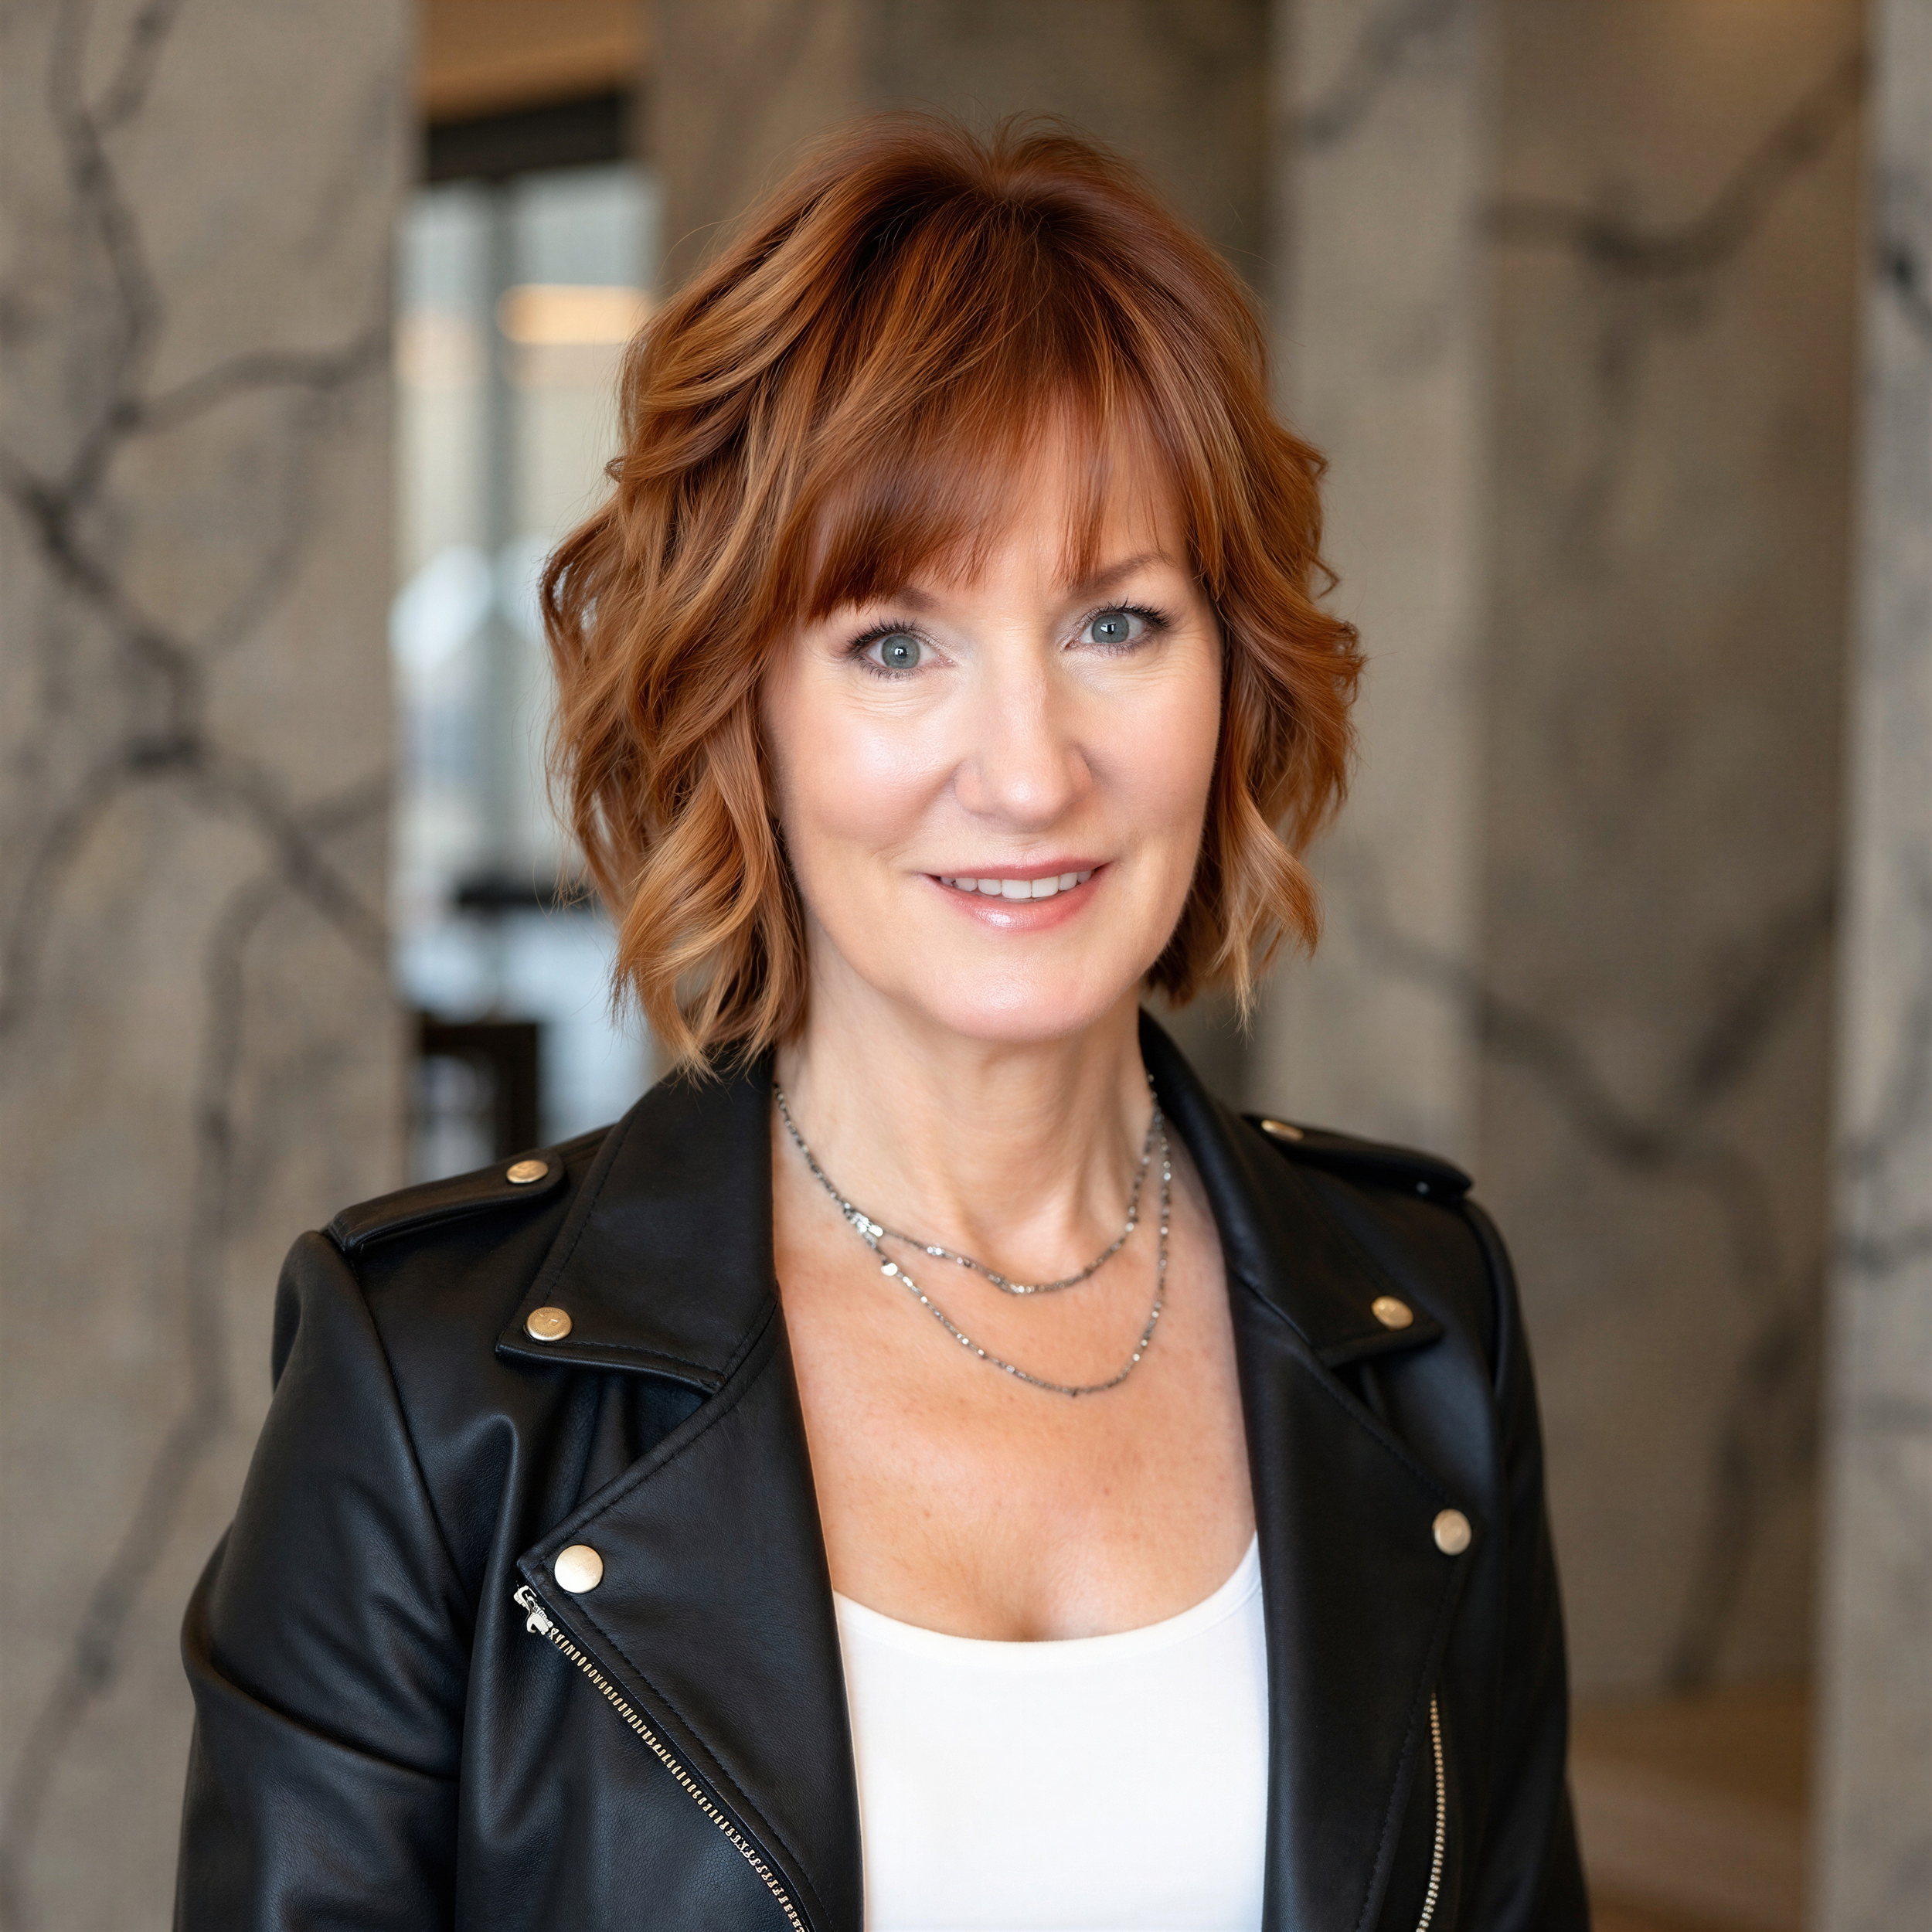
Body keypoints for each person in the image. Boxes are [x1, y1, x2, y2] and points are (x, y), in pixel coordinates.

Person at [175, 117, 1587, 1932]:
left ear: (1233, 678)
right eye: (895, 645)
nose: (1027, 769)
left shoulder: (1423, 1320)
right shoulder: (434, 1386)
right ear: (736, 705)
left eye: (1115, 622)